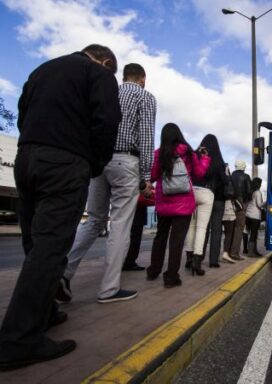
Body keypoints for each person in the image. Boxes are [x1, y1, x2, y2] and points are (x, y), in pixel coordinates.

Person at [0, 44, 121, 371]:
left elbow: (22, 113)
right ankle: (18, 341)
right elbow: (107, 122)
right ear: (106, 61)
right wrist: (94, 163)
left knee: (35, 243)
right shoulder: (99, 74)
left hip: (27, 158)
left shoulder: (43, 69)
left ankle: (45, 310)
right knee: (51, 246)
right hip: (66, 161)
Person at [56, 63, 156, 304]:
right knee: (120, 225)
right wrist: (144, 177)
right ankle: (109, 289)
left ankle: (62, 274)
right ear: (142, 79)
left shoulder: (108, 91)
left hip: (98, 161)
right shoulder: (145, 96)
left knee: (94, 220)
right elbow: (145, 136)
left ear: (123, 77)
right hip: (125, 161)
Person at [147, 123, 210, 287]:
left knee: (160, 237)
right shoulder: (188, 152)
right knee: (176, 241)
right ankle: (171, 277)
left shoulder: (159, 154)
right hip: (183, 204)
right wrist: (204, 158)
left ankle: (153, 271)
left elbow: (152, 176)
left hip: (163, 202)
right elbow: (199, 173)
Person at [186, 134, 228, 273]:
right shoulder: (218, 161)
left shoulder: (196, 156)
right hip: (210, 195)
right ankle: (211, 261)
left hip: (192, 193)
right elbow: (225, 181)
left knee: (192, 227)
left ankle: (190, 258)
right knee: (211, 230)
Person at [122, 186, 155, 271]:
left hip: (125, 203)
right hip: (137, 206)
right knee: (135, 236)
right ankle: (129, 261)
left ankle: (124, 260)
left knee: (126, 235)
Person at [229, 159, 252, 261]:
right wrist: (245, 202)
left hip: (229, 202)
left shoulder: (230, 176)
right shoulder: (246, 176)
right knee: (239, 227)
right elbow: (249, 191)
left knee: (230, 228)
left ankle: (227, 251)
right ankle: (234, 253)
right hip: (240, 202)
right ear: (243, 167)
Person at [245, 177, 265, 257]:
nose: (261, 185)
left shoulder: (250, 192)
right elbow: (259, 205)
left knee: (251, 234)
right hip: (255, 216)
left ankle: (254, 251)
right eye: (260, 183)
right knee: (254, 234)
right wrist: (267, 202)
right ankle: (251, 252)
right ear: (258, 184)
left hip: (248, 215)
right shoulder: (258, 193)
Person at [221, 194, 237, 264]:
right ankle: (225, 253)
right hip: (228, 208)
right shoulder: (230, 184)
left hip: (220, 205)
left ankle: (225, 254)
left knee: (220, 233)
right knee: (229, 234)